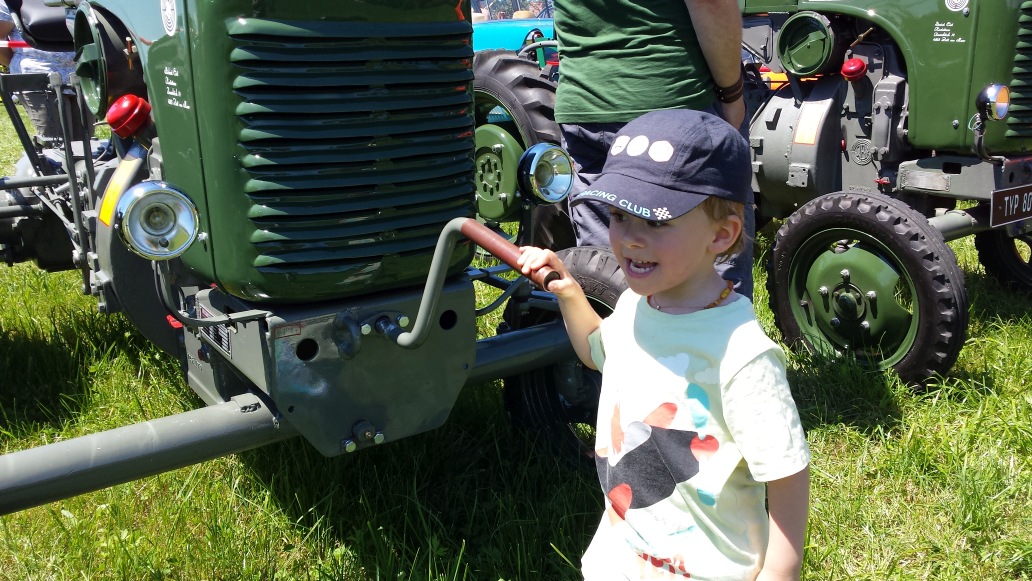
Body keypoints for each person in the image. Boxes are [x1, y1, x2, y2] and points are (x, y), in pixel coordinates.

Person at [517, 109, 810, 580]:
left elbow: (787, 474)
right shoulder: (638, 304)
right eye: (617, 215)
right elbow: (597, 351)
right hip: (625, 555)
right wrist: (569, 289)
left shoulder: (739, 353)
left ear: (721, 234)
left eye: (654, 222)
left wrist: (781, 570)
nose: (630, 239)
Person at [553, 0, 755, 299]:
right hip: (675, 100)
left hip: (585, 103)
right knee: (709, 259)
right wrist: (732, 93)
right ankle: (718, 344)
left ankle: (622, 342)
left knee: (610, 270)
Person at [0, 0, 84, 140]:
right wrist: (21, 66)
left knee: (85, 143)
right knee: (57, 143)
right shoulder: (11, 2)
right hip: (38, 79)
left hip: (81, 76)